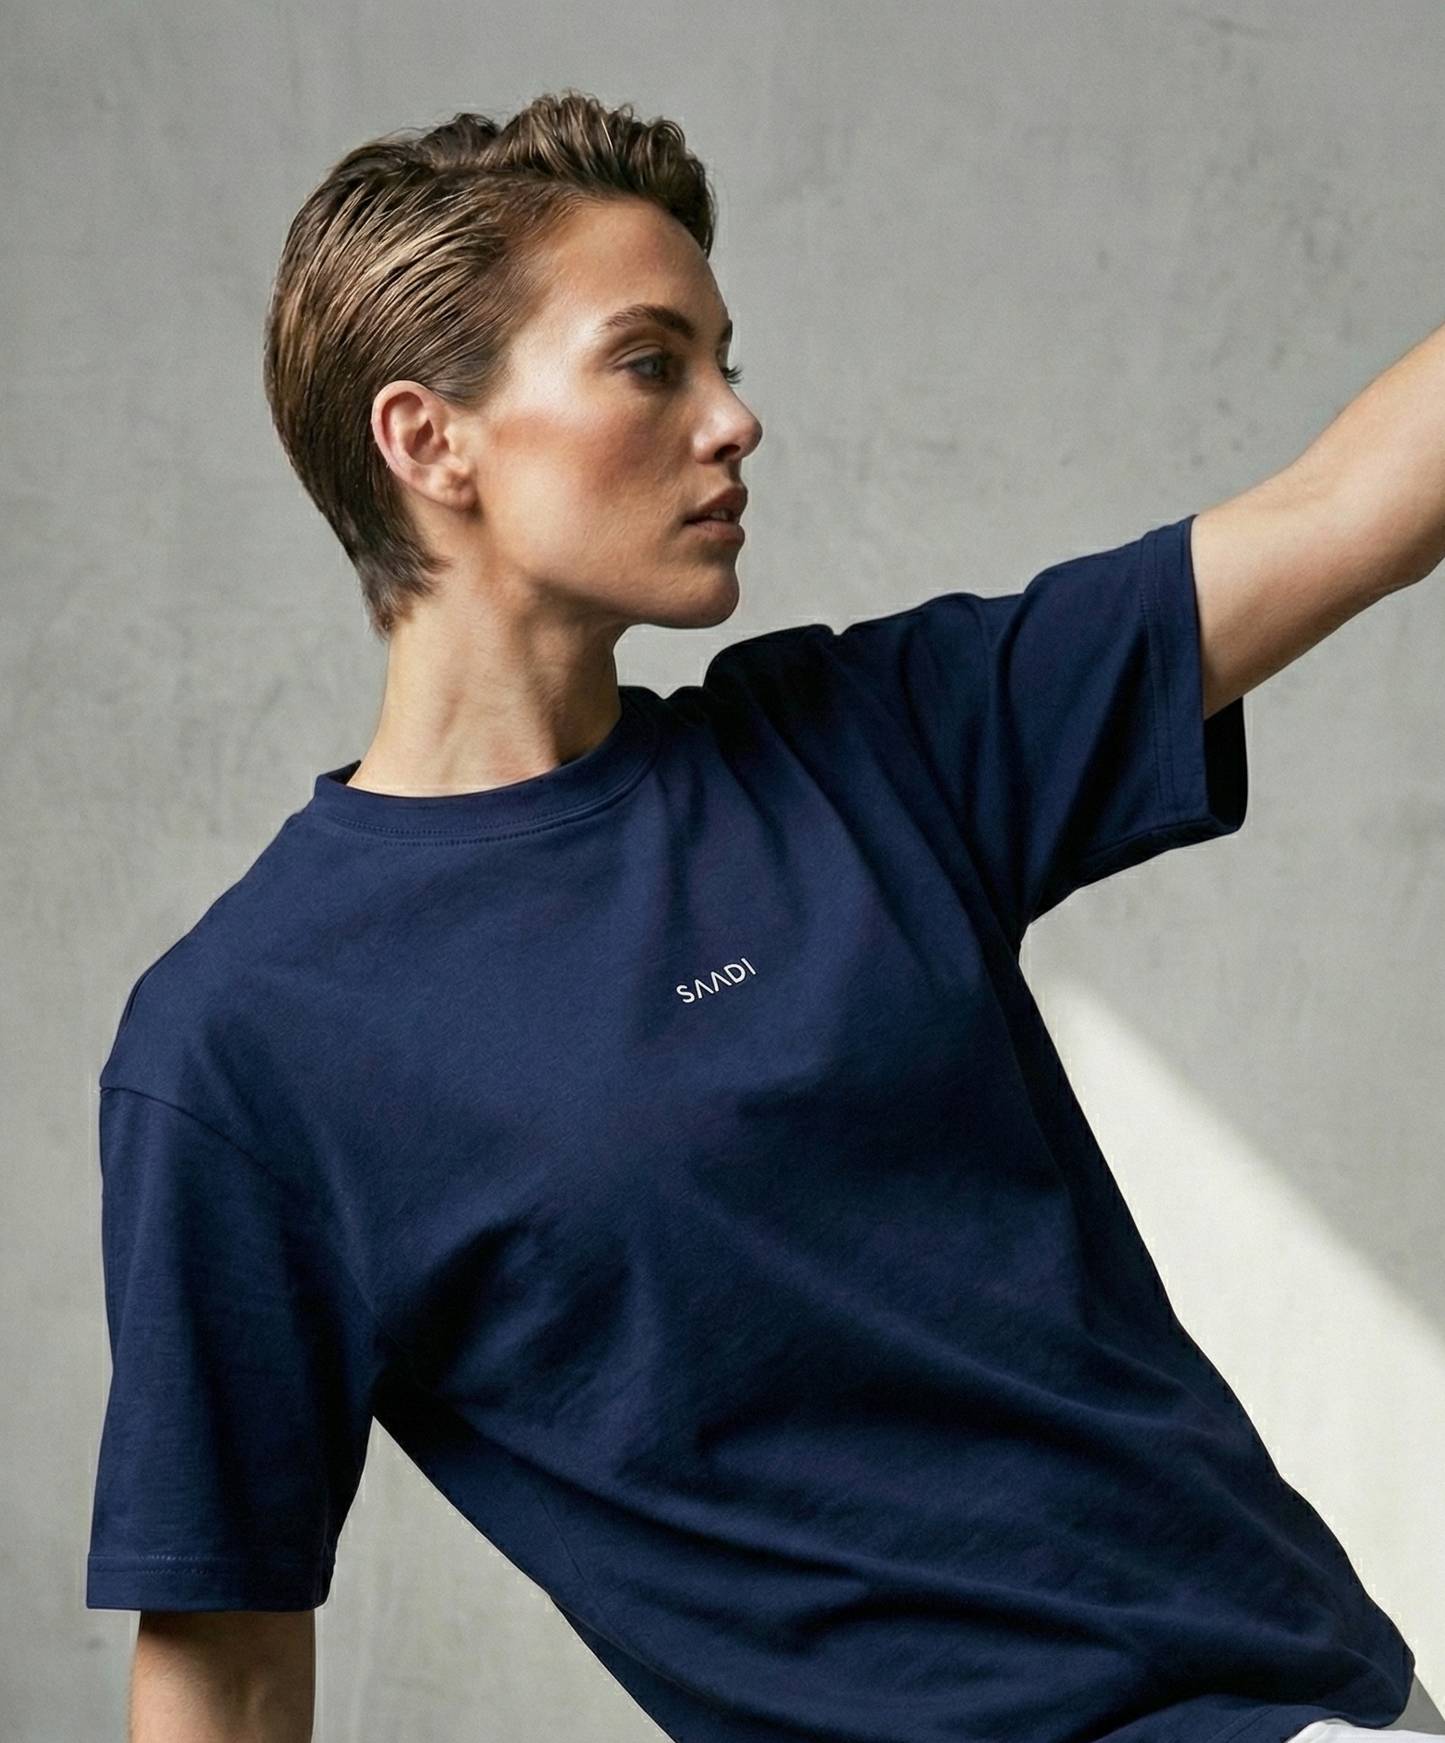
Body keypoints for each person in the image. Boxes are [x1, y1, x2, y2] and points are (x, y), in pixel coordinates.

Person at [87, 92, 1445, 1743]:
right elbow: (224, 1652)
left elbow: (1351, 510)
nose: (736, 419)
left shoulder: (870, 743)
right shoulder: (248, 1039)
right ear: (429, 439)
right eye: (654, 361)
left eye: (725, 358)